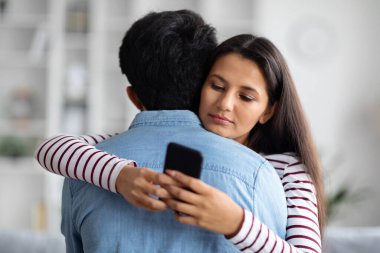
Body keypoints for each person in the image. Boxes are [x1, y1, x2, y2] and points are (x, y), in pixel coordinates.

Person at [36, 33, 324, 252]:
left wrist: (234, 222)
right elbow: (51, 148)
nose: (224, 104)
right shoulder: (159, 137)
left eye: (245, 97)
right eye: (217, 86)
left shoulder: (287, 169)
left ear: (269, 110)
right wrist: (121, 175)